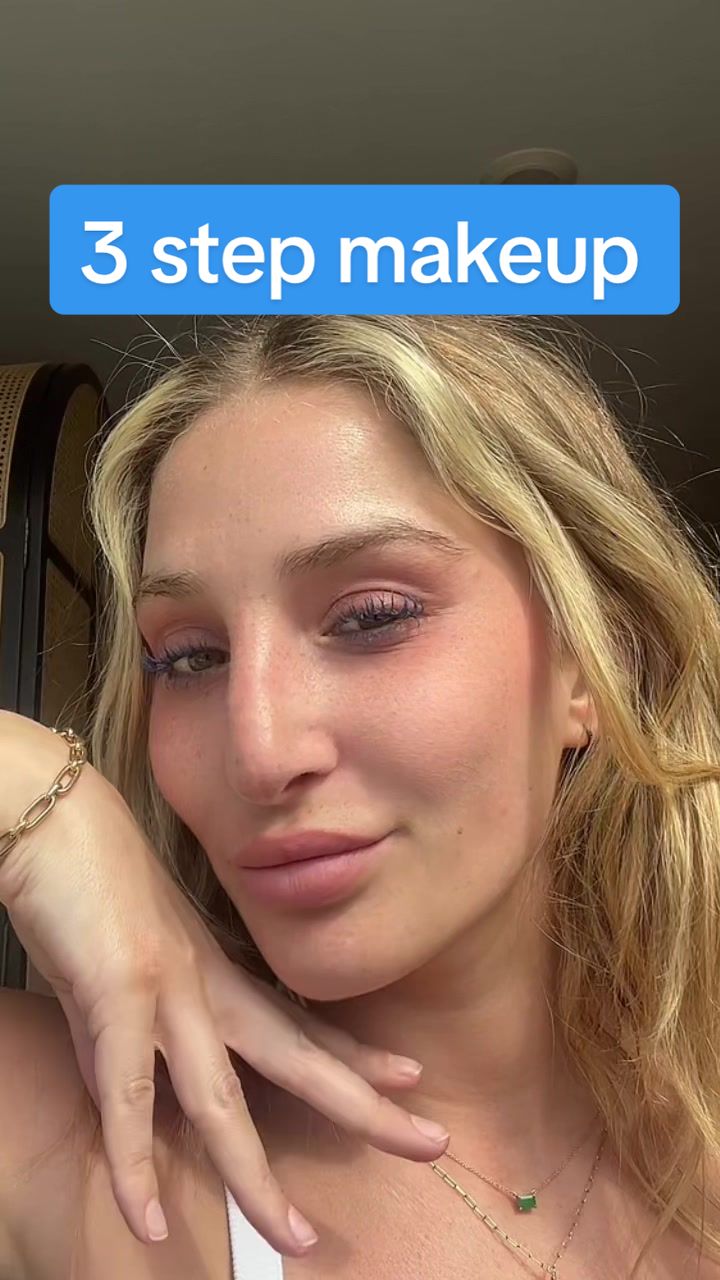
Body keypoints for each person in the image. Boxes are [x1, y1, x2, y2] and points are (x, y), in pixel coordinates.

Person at [1, 313, 720, 1279]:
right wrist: (40, 793)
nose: (259, 754)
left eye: (371, 618)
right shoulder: (63, 1137)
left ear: (593, 662)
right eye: (191, 657)